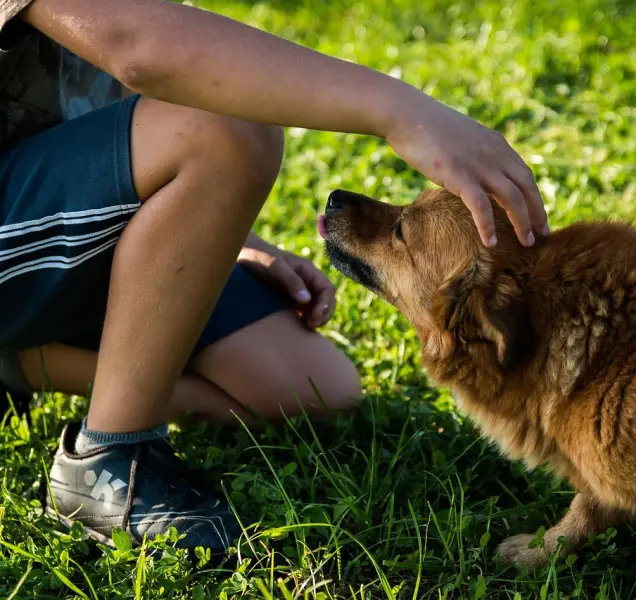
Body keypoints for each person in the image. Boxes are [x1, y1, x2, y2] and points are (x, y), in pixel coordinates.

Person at [0, 0, 549, 552]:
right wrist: (401, 111)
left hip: (48, 210)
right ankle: (108, 459)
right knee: (228, 127)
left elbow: (126, 88)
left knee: (311, 389)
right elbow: (137, 46)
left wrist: (219, 231)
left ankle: (17, 363)